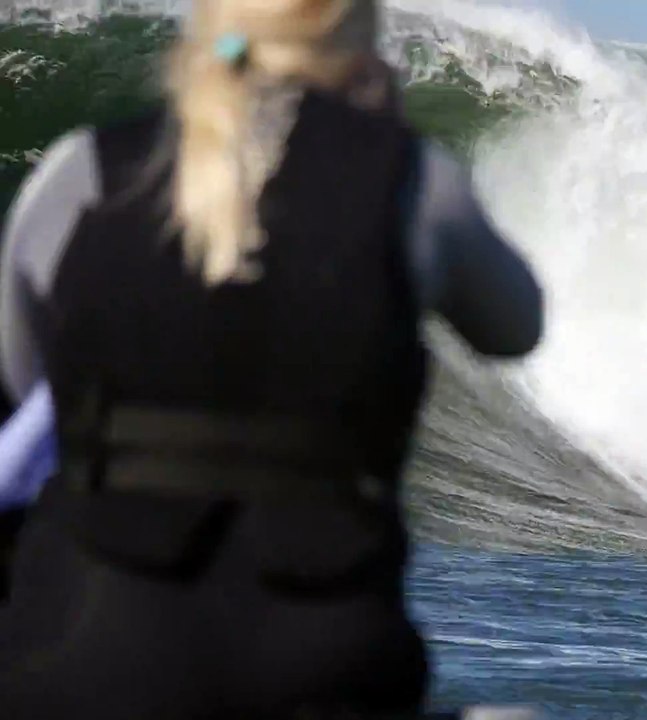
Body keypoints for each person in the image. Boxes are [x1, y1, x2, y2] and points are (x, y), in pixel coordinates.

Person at [0, 0, 542, 716]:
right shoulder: (410, 181)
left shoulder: (84, 171)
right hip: (321, 663)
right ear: (358, 38)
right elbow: (515, 327)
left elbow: (18, 380)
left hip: (78, 653)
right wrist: (380, 143)